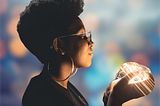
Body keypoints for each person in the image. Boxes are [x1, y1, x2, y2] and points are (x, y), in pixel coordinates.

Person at [17, 0, 144, 106]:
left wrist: (108, 101)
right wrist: (115, 101)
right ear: (59, 45)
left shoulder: (63, 87)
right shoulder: (42, 96)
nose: (91, 43)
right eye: (82, 36)